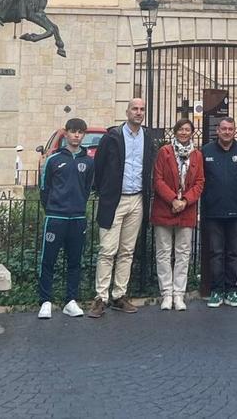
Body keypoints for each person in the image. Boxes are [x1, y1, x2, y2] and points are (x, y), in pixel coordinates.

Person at [89, 98, 157, 318]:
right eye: (134, 109)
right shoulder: (113, 137)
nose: (138, 112)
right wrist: (105, 192)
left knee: (127, 251)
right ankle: (100, 298)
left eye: (142, 109)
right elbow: (99, 167)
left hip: (137, 199)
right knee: (107, 250)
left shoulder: (147, 137)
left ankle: (119, 295)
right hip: (114, 200)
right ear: (127, 112)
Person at [37, 118, 94, 319]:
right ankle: (45, 301)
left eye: (80, 132)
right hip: (55, 217)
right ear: (66, 133)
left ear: (84, 135)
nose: (76, 135)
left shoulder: (89, 162)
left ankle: (70, 301)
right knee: (48, 260)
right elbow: (44, 188)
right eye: (73, 131)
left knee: (75, 261)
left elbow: (87, 188)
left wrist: (78, 206)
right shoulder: (53, 160)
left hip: (77, 217)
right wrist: (52, 208)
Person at [200, 117, 237, 308]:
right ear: (218, 130)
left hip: (236, 212)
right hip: (212, 212)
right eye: (223, 128)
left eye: (230, 129)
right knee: (216, 253)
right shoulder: (206, 151)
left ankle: (231, 290)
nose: (226, 132)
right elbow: (199, 179)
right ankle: (216, 291)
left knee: (232, 253)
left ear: (234, 130)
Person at [151, 119, 204, 312]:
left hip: (186, 209)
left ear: (192, 132)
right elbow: (158, 179)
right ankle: (166, 293)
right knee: (163, 252)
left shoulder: (197, 155)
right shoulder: (164, 152)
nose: (184, 132)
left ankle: (179, 294)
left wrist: (185, 201)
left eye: (187, 129)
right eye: (180, 129)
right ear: (175, 132)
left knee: (183, 253)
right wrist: (173, 199)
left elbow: (199, 182)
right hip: (165, 207)